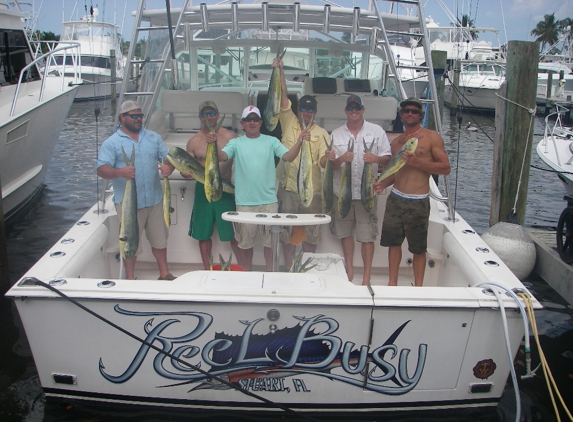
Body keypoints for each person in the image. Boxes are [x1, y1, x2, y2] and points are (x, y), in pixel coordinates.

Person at [373, 97, 451, 287]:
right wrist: (383, 184)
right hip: (396, 199)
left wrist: (418, 162)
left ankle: (418, 287)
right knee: (393, 244)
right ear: (401, 114)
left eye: (414, 111)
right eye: (406, 110)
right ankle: (392, 283)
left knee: (418, 248)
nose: (410, 113)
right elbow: (395, 170)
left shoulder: (432, 137)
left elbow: (445, 168)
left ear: (420, 115)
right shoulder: (397, 142)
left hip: (418, 202)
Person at [215, 105, 304, 271]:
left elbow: (289, 157)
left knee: (270, 245)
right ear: (242, 123)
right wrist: (213, 143)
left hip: (269, 202)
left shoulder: (272, 141)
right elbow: (222, 156)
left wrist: (299, 141)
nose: (252, 122)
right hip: (244, 203)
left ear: (261, 122)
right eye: (248, 119)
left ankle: (270, 276)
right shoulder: (235, 143)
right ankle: (247, 276)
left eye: (255, 119)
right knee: (245, 246)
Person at [97, 100, 176, 280]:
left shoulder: (153, 137)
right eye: (134, 116)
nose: (138, 119)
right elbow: (101, 170)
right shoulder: (112, 143)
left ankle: (164, 273)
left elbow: (168, 158)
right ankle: (130, 278)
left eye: (140, 116)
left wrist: (168, 168)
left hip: (155, 201)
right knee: (129, 242)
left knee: (160, 239)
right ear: (122, 117)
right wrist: (120, 172)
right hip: (129, 205)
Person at [321, 95, 391, 285]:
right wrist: (340, 159)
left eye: (357, 108)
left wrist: (375, 160)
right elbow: (331, 167)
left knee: (367, 236)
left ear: (362, 110)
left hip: (366, 193)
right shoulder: (336, 134)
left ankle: (366, 276)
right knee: (345, 233)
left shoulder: (376, 131)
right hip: (341, 193)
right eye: (350, 108)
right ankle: (349, 270)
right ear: (346, 111)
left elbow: (387, 158)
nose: (354, 111)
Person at [272, 57, 329, 269]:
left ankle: (306, 268)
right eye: (303, 109)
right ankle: (289, 268)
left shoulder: (322, 134)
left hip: (311, 193)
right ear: (298, 110)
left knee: (310, 235)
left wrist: (329, 158)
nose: (306, 113)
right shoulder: (288, 122)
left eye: (310, 110)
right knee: (287, 233)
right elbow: (283, 94)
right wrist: (280, 70)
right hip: (287, 190)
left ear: (315, 112)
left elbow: (322, 162)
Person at [184, 101, 246, 270]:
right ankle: (207, 269)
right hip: (203, 190)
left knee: (234, 234)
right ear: (200, 117)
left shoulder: (231, 137)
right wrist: (185, 173)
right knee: (203, 235)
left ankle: (244, 269)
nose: (209, 117)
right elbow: (186, 167)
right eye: (204, 114)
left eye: (212, 114)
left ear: (218, 115)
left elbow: (245, 158)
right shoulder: (194, 141)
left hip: (225, 188)